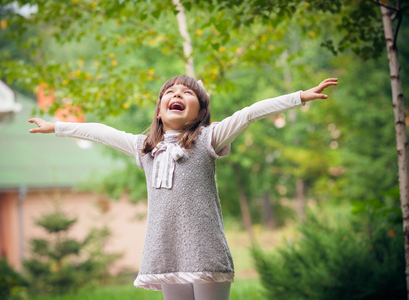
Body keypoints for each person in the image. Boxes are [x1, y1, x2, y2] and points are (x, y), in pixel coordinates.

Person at [29, 75, 337, 300]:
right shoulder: (144, 148)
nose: (178, 94)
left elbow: (249, 113)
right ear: (160, 112)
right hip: (165, 252)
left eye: (188, 93)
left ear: (200, 112)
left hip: (205, 250)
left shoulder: (208, 140)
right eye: (171, 92)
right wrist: (56, 127)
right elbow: (100, 132)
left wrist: (298, 96)